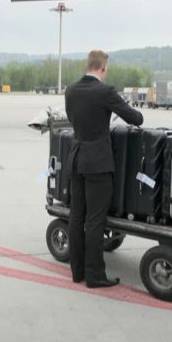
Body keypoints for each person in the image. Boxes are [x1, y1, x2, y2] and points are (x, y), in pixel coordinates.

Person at [65, 50, 143, 288]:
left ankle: (77, 272)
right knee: (96, 221)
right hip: (98, 163)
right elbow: (135, 118)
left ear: (87, 65)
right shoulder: (104, 91)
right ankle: (95, 275)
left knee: (76, 217)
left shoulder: (71, 90)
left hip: (77, 160)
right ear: (103, 67)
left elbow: (73, 120)